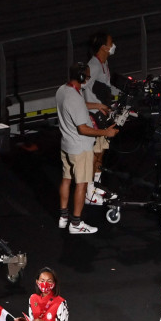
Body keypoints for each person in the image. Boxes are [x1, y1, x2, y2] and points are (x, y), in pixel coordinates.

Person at [55, 62, 118, 235]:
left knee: (66, 180)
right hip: (80, 148)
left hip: (66, 145)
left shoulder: (62, 90)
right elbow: (83, 128)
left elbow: (79, 107)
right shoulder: (74, 98)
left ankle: (63, 217)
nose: (88, 79)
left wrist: (97, 105)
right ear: (82, 77)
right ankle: (76, 223)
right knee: (81, 185)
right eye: (88, 76)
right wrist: (106, 132)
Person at [83, 31, 118, 204]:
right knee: (94, 155)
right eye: (111, 43)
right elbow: (83, 89)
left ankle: (95, 187)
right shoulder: (93, 65)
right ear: (104, 47)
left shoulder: (104, 64)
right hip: (94, 117)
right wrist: (97, 106)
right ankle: (89, 193)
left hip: (103, 115)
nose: (113, 46)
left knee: (100, 154)